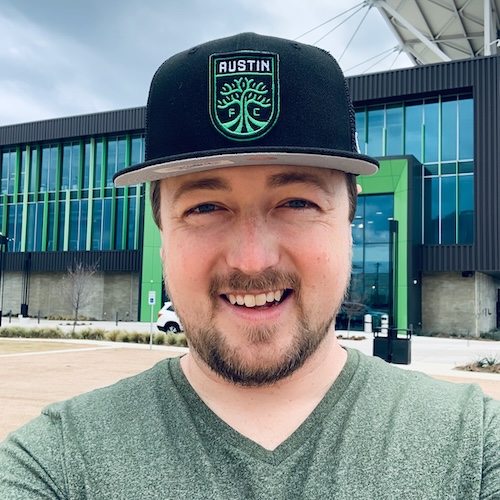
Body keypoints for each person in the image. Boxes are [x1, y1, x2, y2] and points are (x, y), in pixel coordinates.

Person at [1, 32, 499, 499]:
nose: (252, 259)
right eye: (204, 208)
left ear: (350, 216)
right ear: (161, 230)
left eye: (297, 202)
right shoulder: (58, 466)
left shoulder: (474, 450)